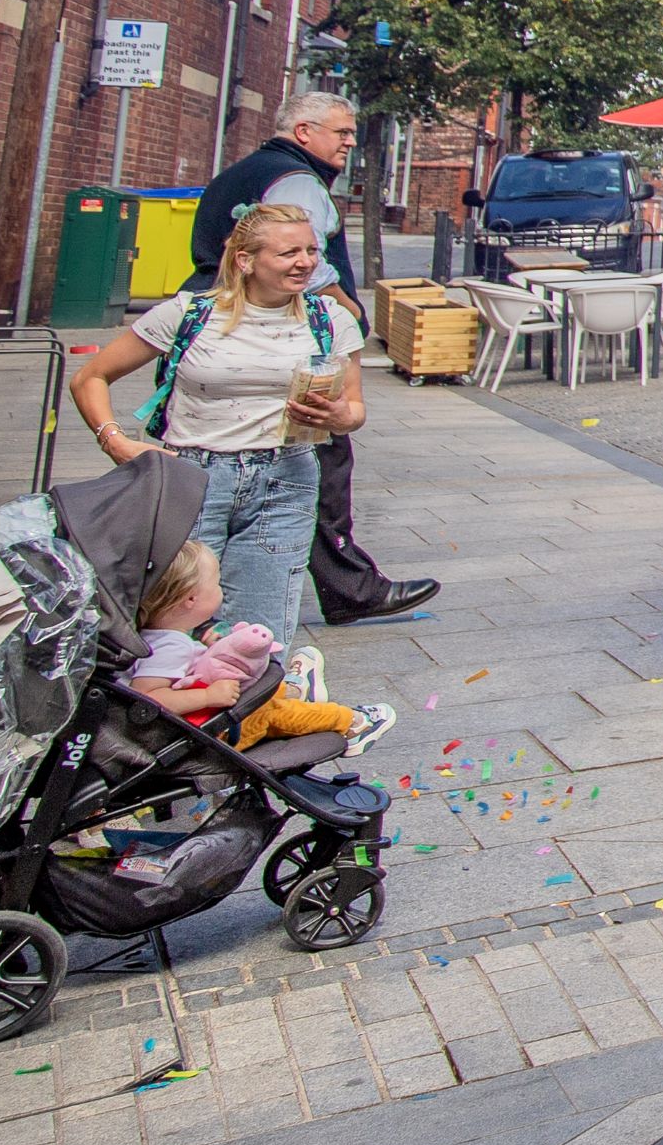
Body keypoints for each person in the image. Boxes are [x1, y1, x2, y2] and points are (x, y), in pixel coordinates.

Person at [68, 202, 370, 642]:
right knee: (176, 623)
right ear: (246, 260)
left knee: (262, 634)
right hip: (191, 477)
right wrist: (114, 441)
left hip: (285, 478)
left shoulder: (332, 321)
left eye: (311, 250)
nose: (306, 262)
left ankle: (255, 708)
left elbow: (354, 410)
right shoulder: (190, 314)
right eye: (289, 253)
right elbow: (90, 377)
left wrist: (341, 416)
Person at [188, 94, 436, 628]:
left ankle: (343, 584)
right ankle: (345, 589)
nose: (350, 141)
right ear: (303, 131)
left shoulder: (247, 171)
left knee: (281, 455)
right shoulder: (297, 181)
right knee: (319, 448)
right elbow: (307, 259)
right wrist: (346, 307)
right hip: (279, 332)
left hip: (230, 324)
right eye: (342, 132)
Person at [128, 540, 388, 754]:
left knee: (263, 689)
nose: (219, 590)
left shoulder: (158, 636)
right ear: (191, 599)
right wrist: (208, 697)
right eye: (216, 584)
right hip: (205, 735)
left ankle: (295, 690)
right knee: (272, 713)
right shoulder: (170, 647)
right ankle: (349, 724)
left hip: (195, 723)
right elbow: (148, 699)